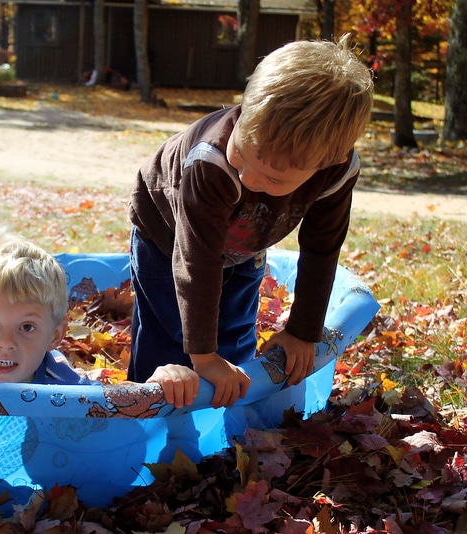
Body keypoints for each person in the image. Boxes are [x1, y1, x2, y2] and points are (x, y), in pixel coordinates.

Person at [126, 35, 374, 409]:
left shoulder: (337, 173)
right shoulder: (211, 162)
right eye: (241, 152)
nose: (248, 179)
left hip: (247, 239)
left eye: (273, 178)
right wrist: (203, 357)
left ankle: (233, 412)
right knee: (169, 338)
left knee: (237, 332)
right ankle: (148, 422)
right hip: (168, 236)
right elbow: (196, 262)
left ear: (325, 164)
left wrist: (302, 331)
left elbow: (322, 248)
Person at [0, 229, 199, 413]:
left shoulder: (61, 380)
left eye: (27, 327)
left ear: (54, 336)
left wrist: (158, 387)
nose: (6, 343)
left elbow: (114, 412)